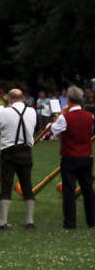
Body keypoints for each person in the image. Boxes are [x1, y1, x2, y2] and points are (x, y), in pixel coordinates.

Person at [0, 89, 37, 230]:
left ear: (10, 99)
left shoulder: (4, 112)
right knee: (27, 185)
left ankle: (2, 222)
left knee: (6, 186)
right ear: (22, 98)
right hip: (26, 151)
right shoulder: (32, 111)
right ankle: (30, 221)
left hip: (8, 152)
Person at [50, 86, 95, 229]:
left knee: (69, 190)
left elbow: (54, 130)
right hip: (86, 156)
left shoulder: (65, 117)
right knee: (88, 189)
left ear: (68, 100)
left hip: (69, 157)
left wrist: (60, 115)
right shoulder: (90, 116)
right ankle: (92, 220)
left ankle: (70, 222)